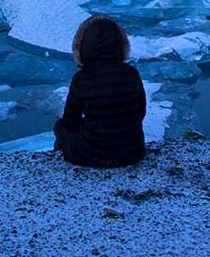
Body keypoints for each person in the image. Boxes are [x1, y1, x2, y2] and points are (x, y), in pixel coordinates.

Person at [53, 14, 147, 167]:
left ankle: (59, 160)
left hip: (91, 155)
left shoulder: (82, 78)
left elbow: (71, 121)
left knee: (60, 127)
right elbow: (139, 113)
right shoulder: (131, 73)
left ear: (83, 46)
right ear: (121, 44)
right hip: (133, 152)